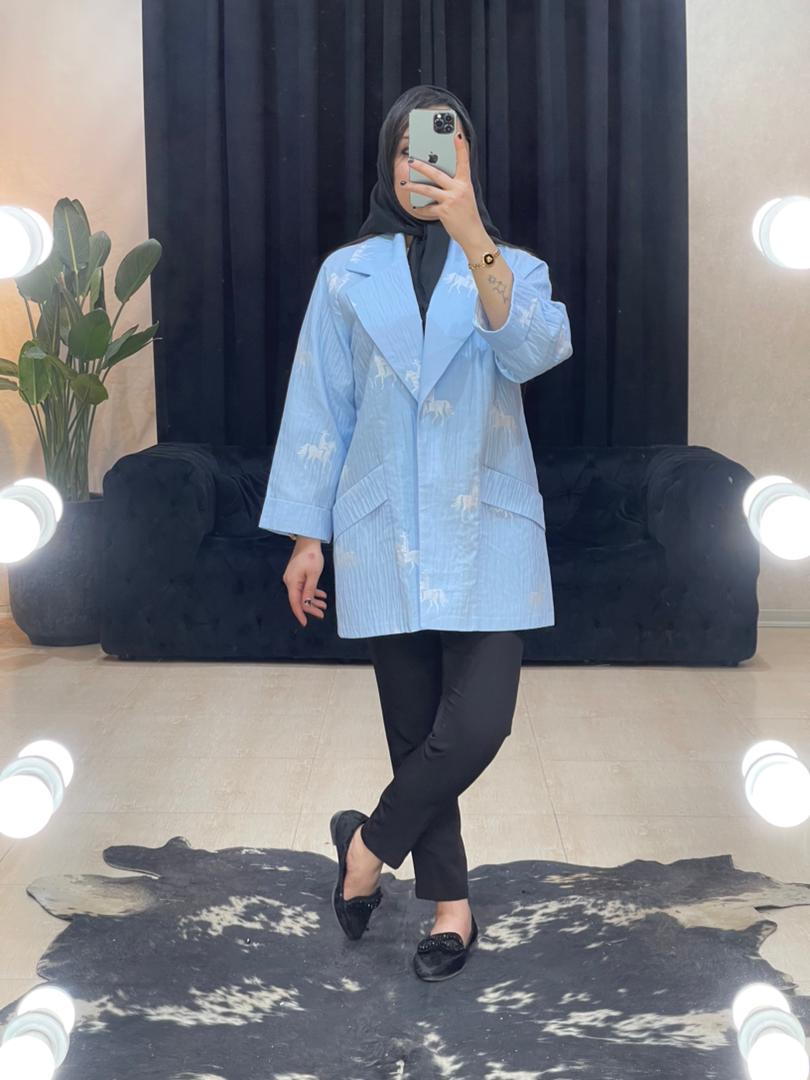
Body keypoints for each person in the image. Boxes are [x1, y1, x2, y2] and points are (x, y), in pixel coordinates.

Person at [258, 84, 573, 979]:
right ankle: (450, 907)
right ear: (387, 162)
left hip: (486, 527)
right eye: (406, 147)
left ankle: (365, 848)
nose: (420, 163)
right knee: (413, 730)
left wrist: (473, 234)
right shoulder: (345, 274)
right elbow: (320, 403)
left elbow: (534, 350)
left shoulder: (513, 268)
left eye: (441, 145)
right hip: (382, 526)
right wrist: (306, 537)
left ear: (468, 161)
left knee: (477, 726)